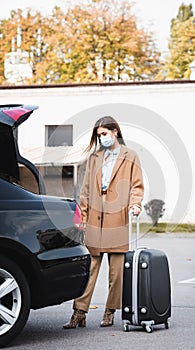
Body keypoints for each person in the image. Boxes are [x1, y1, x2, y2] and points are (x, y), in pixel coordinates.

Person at [63, 116, 144, 329]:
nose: (101, 139)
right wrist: (83, 217)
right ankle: (79, 312)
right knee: (89, 269)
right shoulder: (94, 158)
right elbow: (86, 191)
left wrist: (136, 204)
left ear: (115, 131)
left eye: (104, 134)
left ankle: (110, 311)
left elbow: (137, 186)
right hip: (95, 219)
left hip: (117, 217)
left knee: (116, 273)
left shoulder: (131, 156)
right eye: (99, 136)